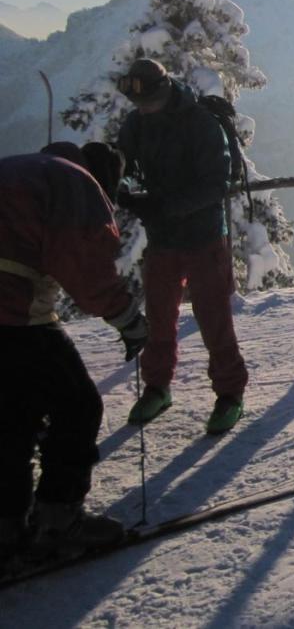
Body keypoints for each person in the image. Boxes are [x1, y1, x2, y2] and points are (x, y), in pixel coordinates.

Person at [0, 142, 148, 556]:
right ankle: (59, 522)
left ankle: (7, 528)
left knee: (12, 414)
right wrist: (130, 323)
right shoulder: (78, 183)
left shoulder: (23, 165)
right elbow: (87, 271)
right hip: (11, 313)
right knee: (77, 405)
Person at [115, 58, 247, 434]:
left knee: (213, 318)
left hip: (204, 237)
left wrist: (162, 206)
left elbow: (215, 184)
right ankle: (157, 387)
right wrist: (118, 180)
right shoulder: (138, 121)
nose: (143, 109)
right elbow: (122, 159)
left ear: (165, 90)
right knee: (159, 316)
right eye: (137, 104)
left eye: (148, 101)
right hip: (163, 238)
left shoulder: (200, 124)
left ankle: (230, 393)